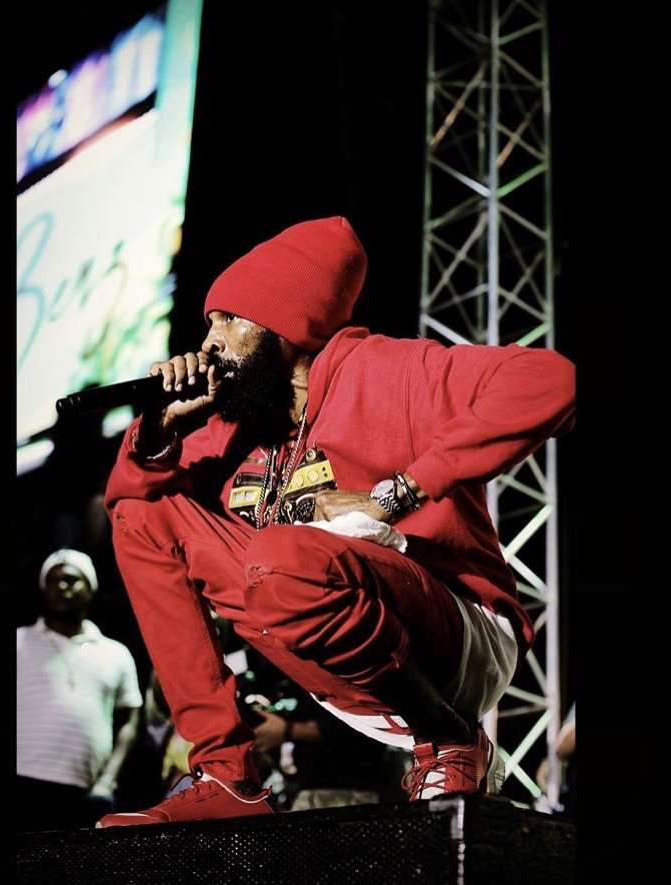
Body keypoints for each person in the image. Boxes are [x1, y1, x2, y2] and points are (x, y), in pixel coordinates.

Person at [93, 216, 575, 827]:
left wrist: (397, 494)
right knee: (147, 515)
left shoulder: (391, 371)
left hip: (453, 639)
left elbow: (553, 380)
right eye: (208, 322)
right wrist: (161, 428)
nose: (209, 342)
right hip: (332, 650)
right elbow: (129, 500)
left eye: (230, 320)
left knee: (284, 560)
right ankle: (226, 775)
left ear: (286, 323)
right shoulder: (234, 427)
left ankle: (451, 739)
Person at [17, 548, 144, 831]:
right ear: (43, 589)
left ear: (90, 590)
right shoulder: (19, 641)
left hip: (84, 793)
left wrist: (108, 780)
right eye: (54, 580)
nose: (62, 586)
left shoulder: (116, 653)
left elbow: (130, 723)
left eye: (73, 579)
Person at [251, 681, 395, 810]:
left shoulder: (336, 679)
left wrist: (288, 730)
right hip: (322, 788)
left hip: (344, 788)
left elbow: (353, 726)